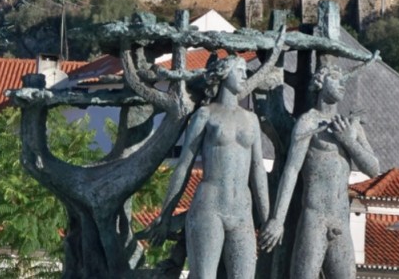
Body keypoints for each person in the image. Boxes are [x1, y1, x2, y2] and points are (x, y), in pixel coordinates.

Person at [148, 38, 284, 278]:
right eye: (239, 71)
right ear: (224, 75)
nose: (244, 75)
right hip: (209, 206)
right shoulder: (205, 115)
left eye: (245, 71)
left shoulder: (251, 120)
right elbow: (184, 167)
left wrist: (267, 219)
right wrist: (165, 214)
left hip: (242, 208)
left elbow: (258, 171)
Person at [260, 64, 380, 278]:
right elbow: (291, 171)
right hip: (315, 218)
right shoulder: (308, 122)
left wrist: (348, 141)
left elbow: (374, 169)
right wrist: (278, 219)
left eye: (343, 79)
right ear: (320, 83)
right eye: (335, 78)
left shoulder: (351, 126)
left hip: (341, 219)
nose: (342, 84)